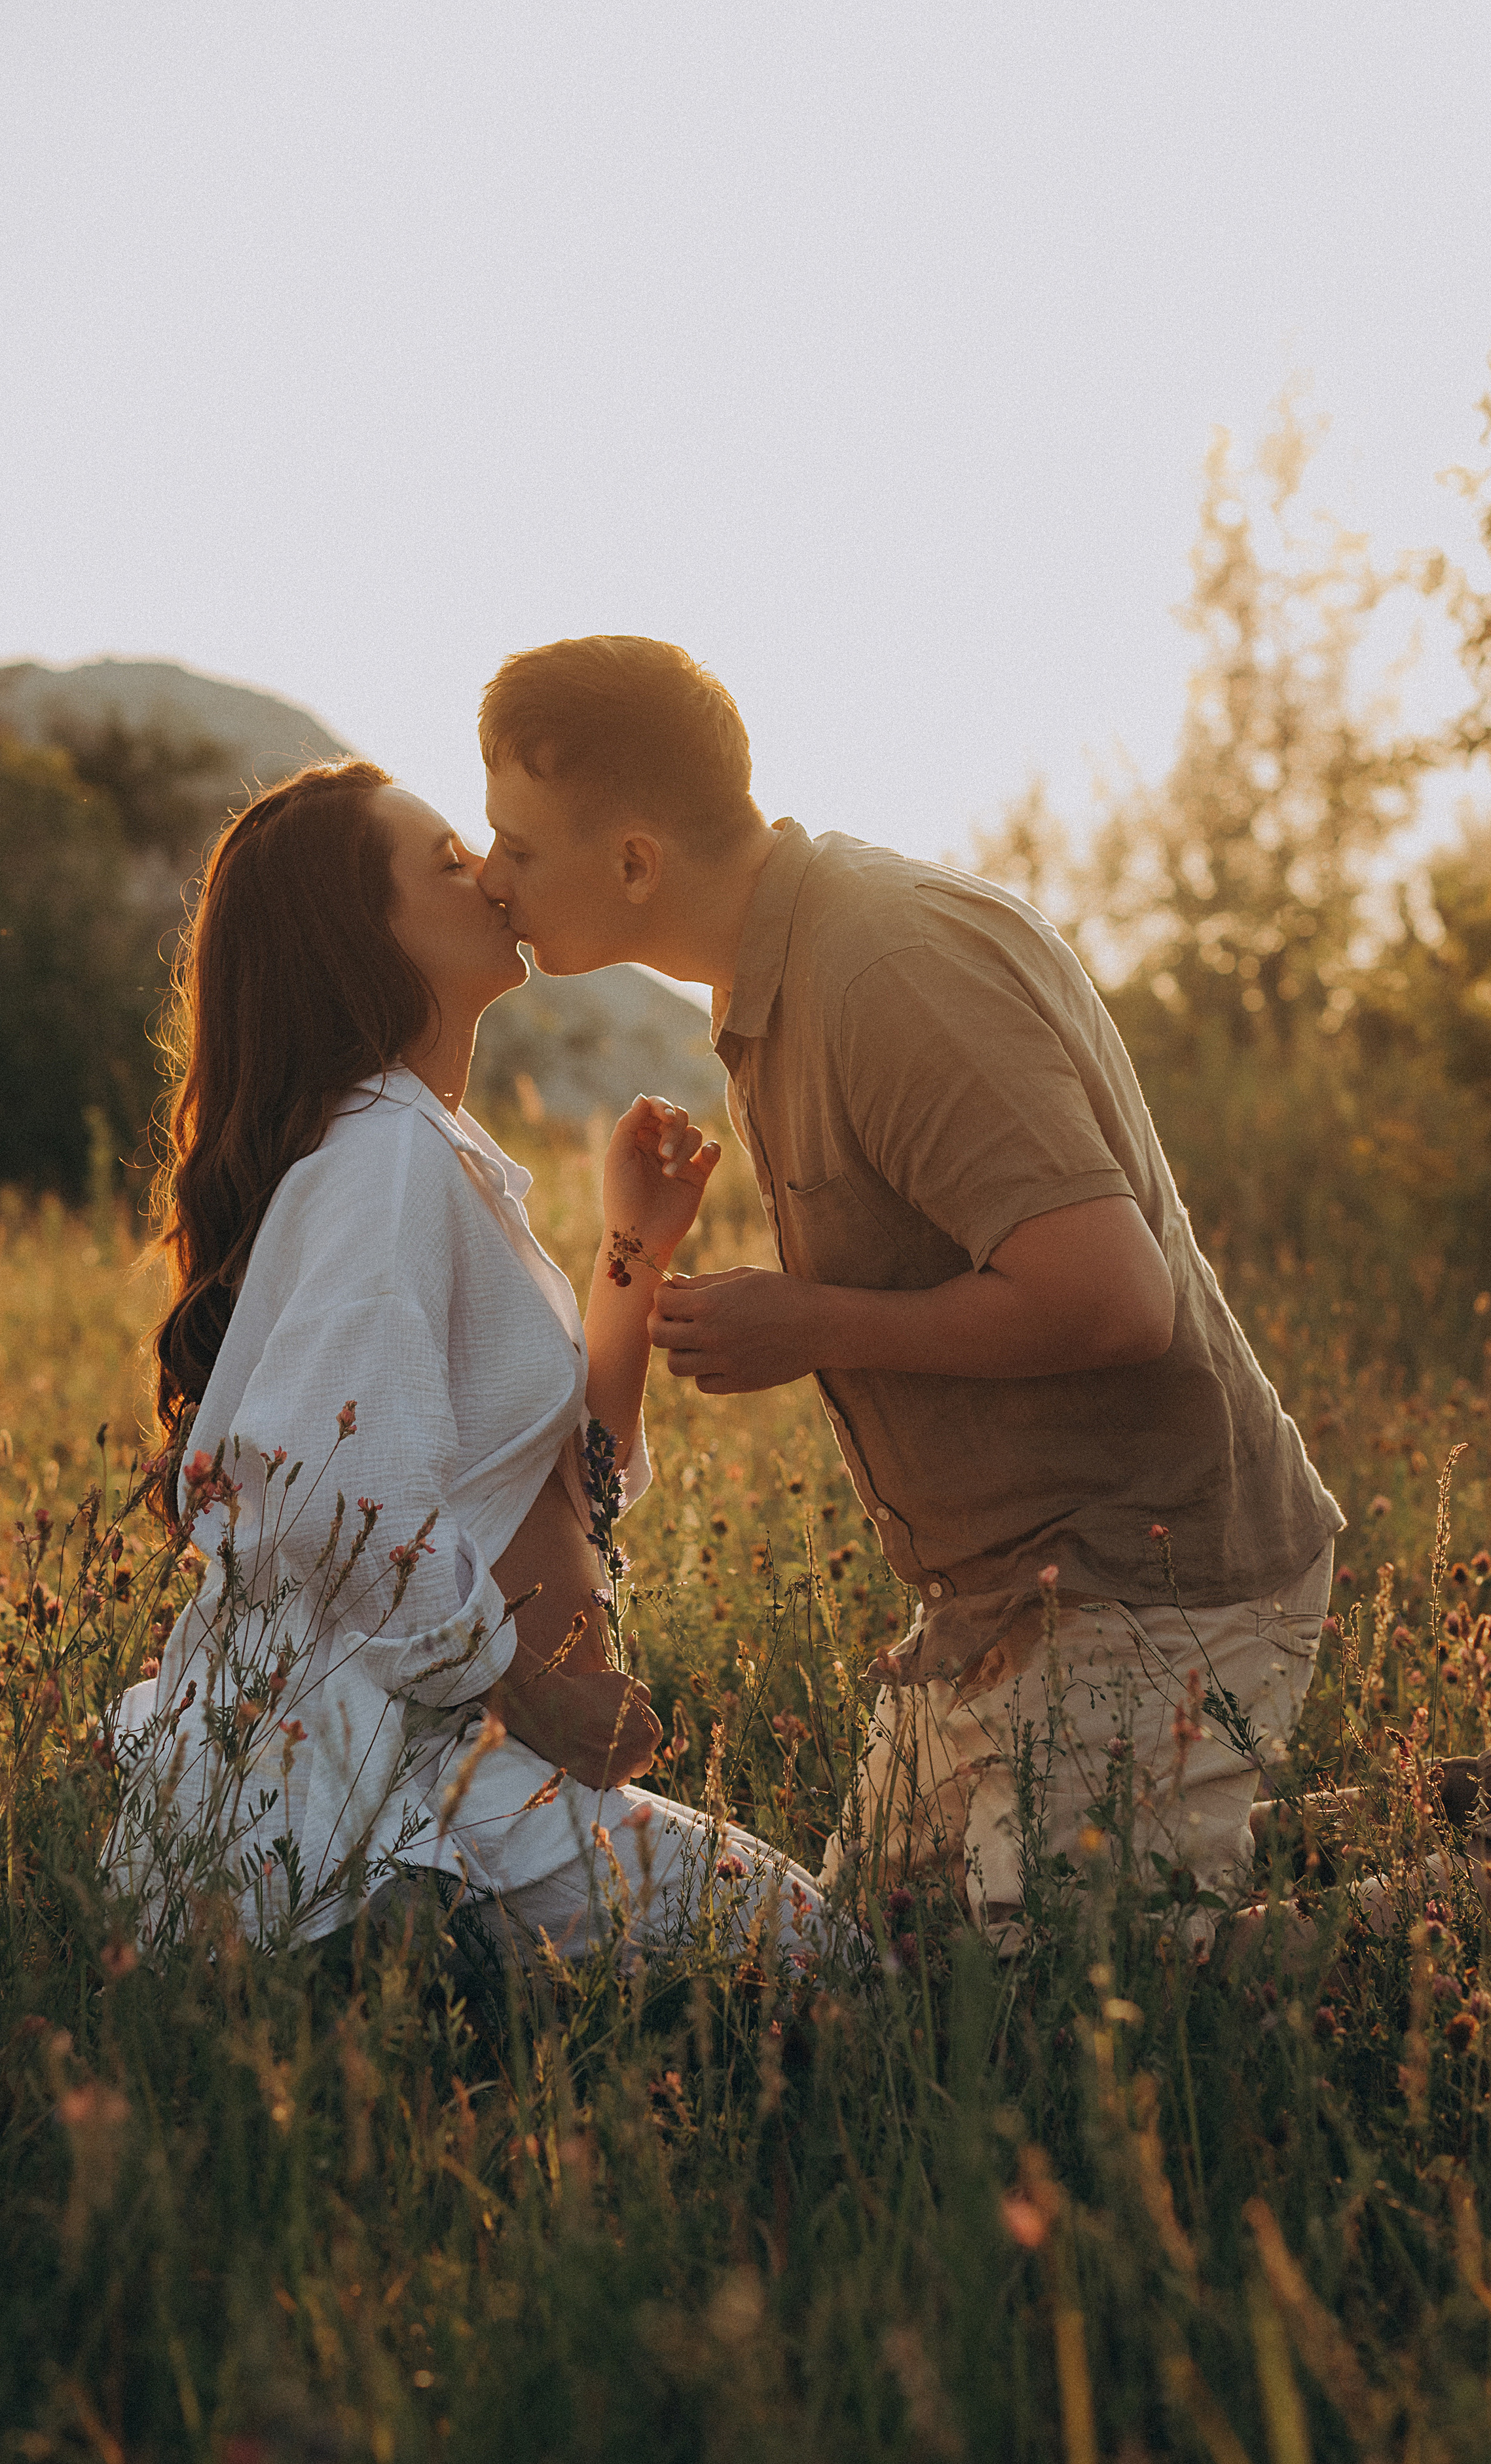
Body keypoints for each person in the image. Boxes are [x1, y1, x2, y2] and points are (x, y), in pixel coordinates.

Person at [474, 635, 1344, 1939]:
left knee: (1061, 2001)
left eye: (517, 846)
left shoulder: (886, 969)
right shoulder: (779, 978)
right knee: (872, 1966)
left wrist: (810, 1322)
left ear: (636, 861)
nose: (493, 878)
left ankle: (1430, 1881)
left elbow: (1114, 1297)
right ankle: (1371, 1817)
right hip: (999, 1605)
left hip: (1141, 1575)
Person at [109, 757, 824, 1965]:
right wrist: (537, 1695)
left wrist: (632, 1253)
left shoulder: (420, 1149)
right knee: (834, 1962)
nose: (493, 876)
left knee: (814, 1953)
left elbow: (569, 1483)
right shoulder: (384, 1157)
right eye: (448, 862)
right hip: (391, 1795)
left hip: (441, 1771)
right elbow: (326, 1494)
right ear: (362, 941)